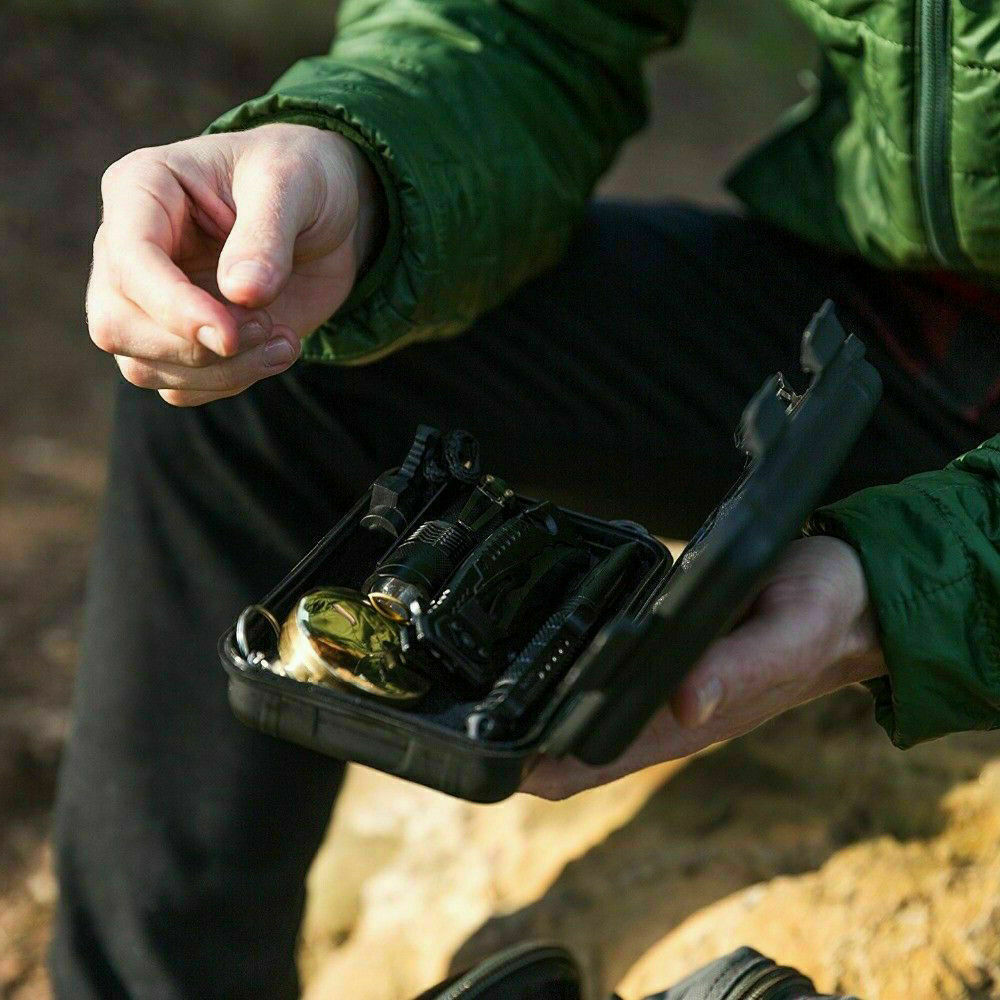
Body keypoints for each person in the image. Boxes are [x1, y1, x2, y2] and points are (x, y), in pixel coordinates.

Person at [56, 1, 1000, 997]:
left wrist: (906, 581)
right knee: (244, 353)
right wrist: (351, 164)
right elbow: (523, 20)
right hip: (910, 323)